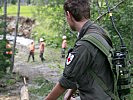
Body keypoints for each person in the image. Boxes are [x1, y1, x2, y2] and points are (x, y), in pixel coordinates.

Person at [45, 0, 115, 100]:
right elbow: (78, 70)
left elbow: (64, 82)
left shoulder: (85, 45)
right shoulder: (99, 32)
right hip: (107, 95)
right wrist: (69, 95)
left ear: (68, 15)